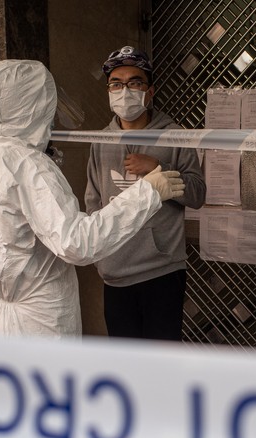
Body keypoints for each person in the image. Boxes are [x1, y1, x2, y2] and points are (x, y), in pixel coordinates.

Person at [0, 59, 184, 339]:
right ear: (36, 106)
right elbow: (77, 242)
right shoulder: (28, 165)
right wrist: (147, 193)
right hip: (38, 323)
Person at [85, 46, 206, 341]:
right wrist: (100, 252)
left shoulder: (174, 135)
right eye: (116, 84)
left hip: (161, 271)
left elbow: (197, 195)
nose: (124, 90)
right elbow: (93, 201)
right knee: (125, 364)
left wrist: (159, 168)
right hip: (115, 272)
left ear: (149, 91)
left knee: (161, 361)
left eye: (134, 82)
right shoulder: (99, 140)